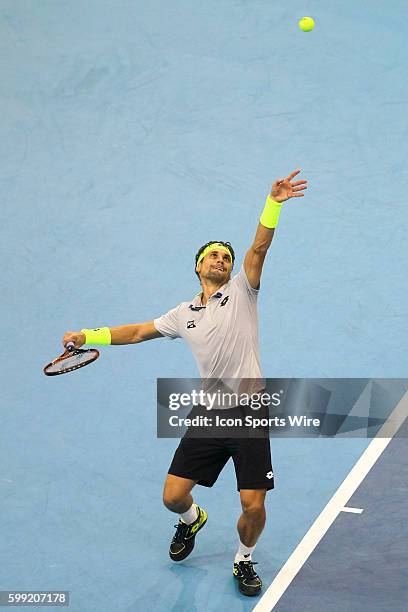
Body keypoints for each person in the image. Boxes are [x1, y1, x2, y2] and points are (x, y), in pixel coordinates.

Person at [62, 169, 307, 597]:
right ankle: (192, 520)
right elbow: (138, 332)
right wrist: (88, 335)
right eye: (213, 255)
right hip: (209, 415)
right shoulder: (182, 313)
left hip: (249, 413)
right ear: (198, 266)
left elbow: (260, 247)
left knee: (253, 504)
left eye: (225, 257)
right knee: (173, 497)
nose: (221, 260)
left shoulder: (244, 290)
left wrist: (273, 204)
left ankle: (243, 560)